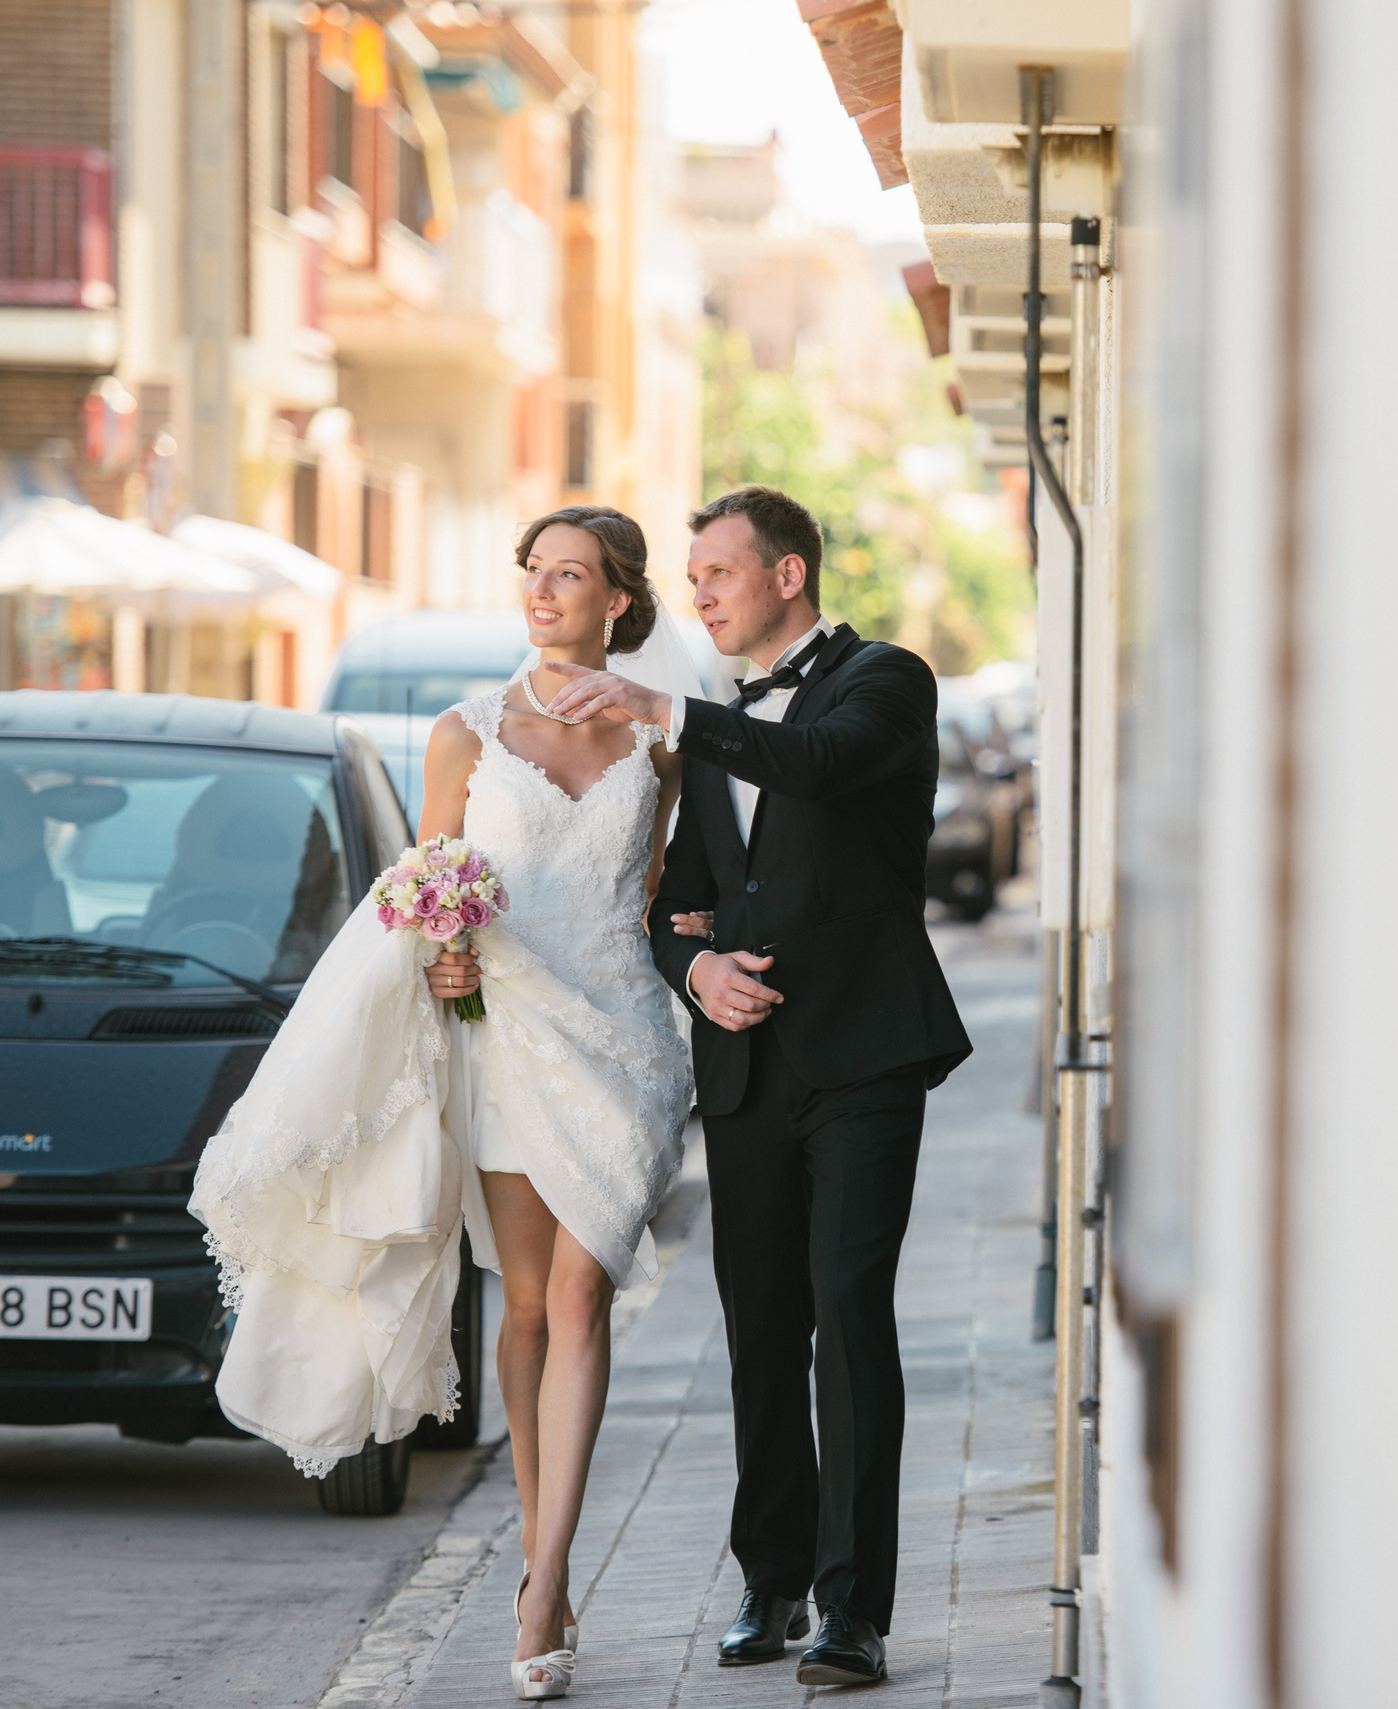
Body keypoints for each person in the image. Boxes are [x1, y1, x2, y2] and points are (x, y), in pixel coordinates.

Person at [192, 505, 706, 1703]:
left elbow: (664, 890)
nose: (543, 592)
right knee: (525, 1308)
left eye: (569, 576)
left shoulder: (660, 742)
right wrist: (446, 954)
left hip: (623, 1037)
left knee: (584, 1293)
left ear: (616, 601)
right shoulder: (463, 733)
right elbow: (428, 888)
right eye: (533, 573)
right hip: (506, 1037)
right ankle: (546, 1566)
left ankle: (544, 1574)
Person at [537, 484, 972, 1687]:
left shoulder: (887, 680)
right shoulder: (709, 722)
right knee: (761, 1329)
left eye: (719, 573)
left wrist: (668, 709)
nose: (702, 596)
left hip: (865, 1055)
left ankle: (852, 1609)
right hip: (745, 1069)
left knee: (851, 1315)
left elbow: (820, 764)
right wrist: (697, 966)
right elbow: (676, 897)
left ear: (787, 574)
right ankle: (770, 1577)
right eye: (694, 579)